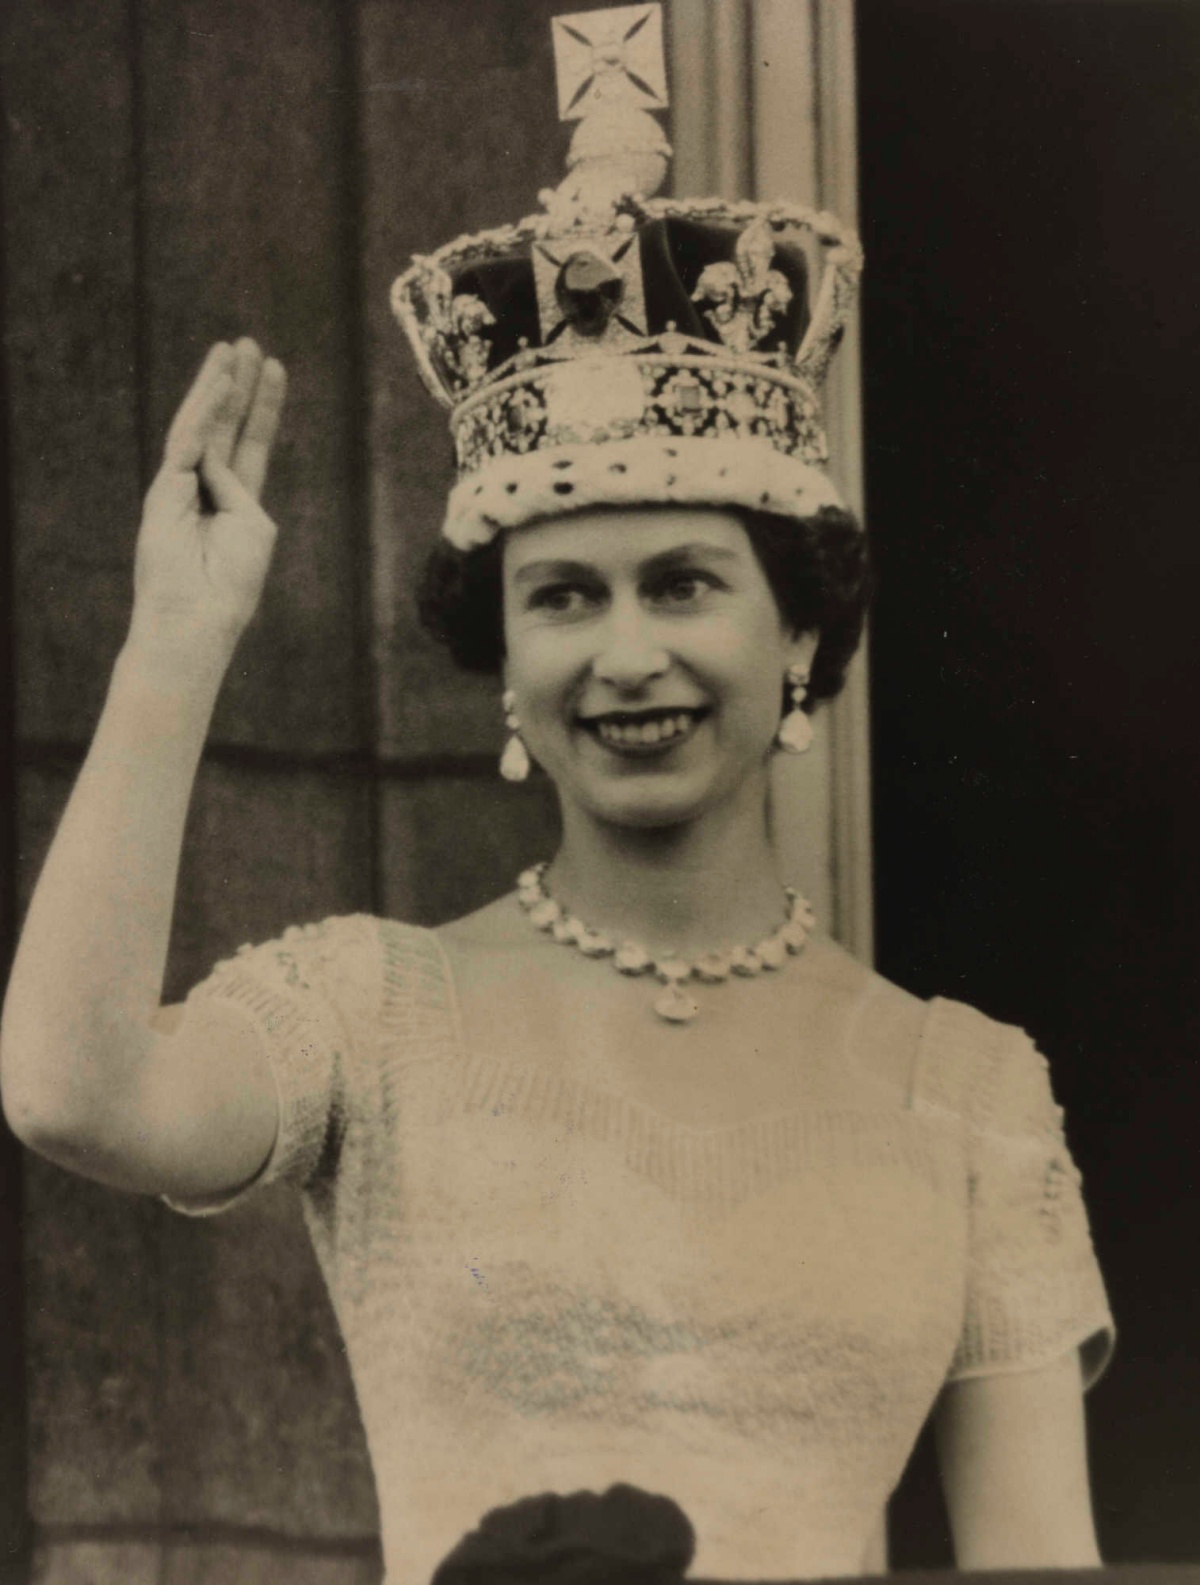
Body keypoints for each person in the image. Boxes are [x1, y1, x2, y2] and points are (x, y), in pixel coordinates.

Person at [0, 7, 1113, 1582]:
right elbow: (71, 1088)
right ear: (506, 660)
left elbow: (1037, 1565)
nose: (625, 655)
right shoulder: (374, 1012)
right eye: (564, 598)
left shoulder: (972, 1098)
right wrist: (179, 643)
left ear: (798, 628)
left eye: (682, 583)